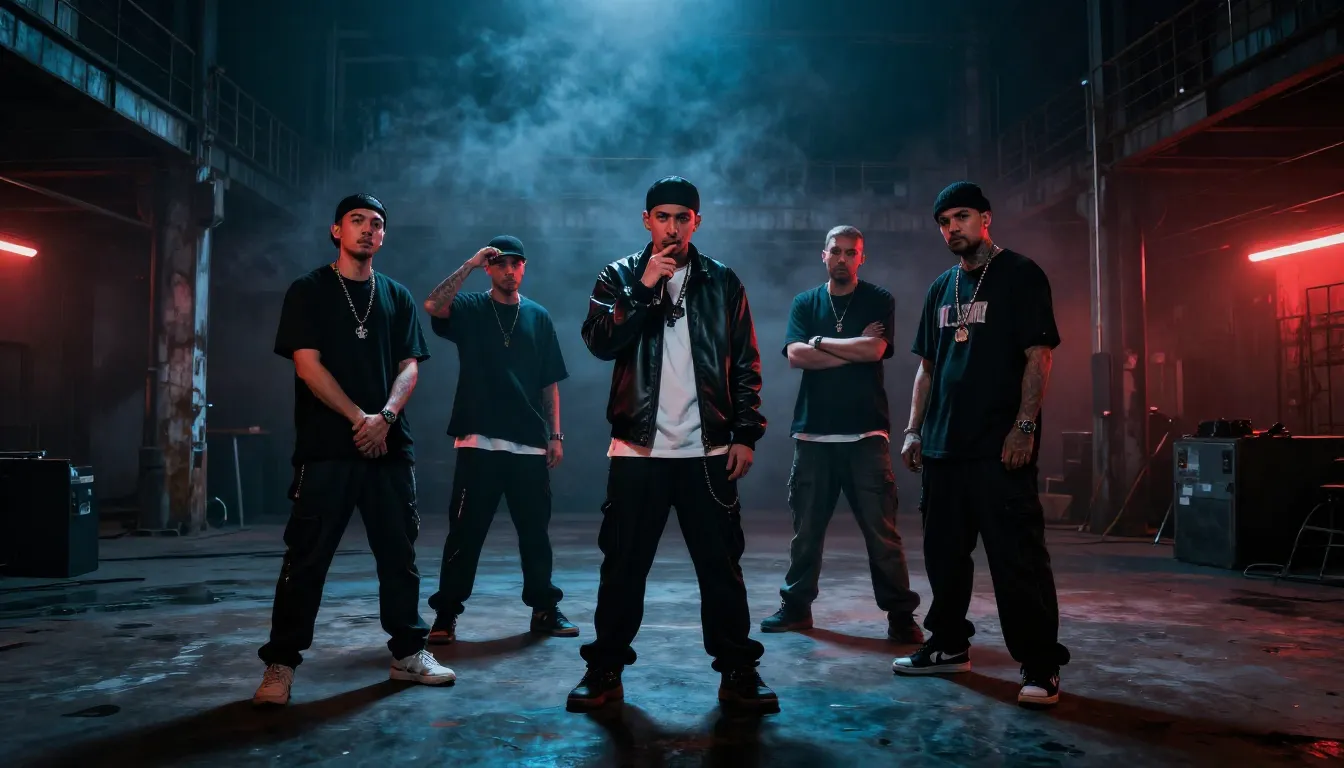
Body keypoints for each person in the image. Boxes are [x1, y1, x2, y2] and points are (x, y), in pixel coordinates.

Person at [568, 176, 777, 714]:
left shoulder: (723, 282)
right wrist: (642, 289)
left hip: (708, 451)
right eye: (662, 217)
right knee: (622, 568)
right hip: (637, 452)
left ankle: (737, 670)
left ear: (697, 222)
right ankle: (605, 668)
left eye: (683, 218)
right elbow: (599, 342)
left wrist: (745, 434)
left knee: (721, 568)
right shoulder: (618, 275)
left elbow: (746, 363)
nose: (673, 227)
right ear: (647, 221)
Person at [251, 194, 456, 707]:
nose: (367, 229)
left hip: (389, 449)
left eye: (376, 223)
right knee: (307, 559)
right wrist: (358, 419)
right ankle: (281, 664)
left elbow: (410, 367)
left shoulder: (397, 296)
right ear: (336, 231)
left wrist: (385, 417)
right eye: (357, 220)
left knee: (399, 557)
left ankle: (408, 653)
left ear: (383, 236)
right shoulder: (309, 290)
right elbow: (307, 365)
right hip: (326, 449)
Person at [891, 181, 1069, 708]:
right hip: (943, 449)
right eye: (944, 222)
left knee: (1018, 561)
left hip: (999, 449)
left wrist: (1024, 427)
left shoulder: (1020, 275)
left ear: (985, 219)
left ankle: (1039, 664)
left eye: (962, 217)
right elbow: (927, 369)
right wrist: (914, 429)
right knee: (945, 559)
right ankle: (948, 645)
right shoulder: (940, 288)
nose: (953, 229)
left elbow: (1039, 356)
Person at [761, 225, 923, 643]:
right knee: (806, 535)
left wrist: (821, 344)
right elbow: (797, 356)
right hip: (813, 436)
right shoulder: (805, 302)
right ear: (824, 255)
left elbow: (875, 350)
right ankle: (796, 609)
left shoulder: (878, 299)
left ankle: (900, 617)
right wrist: (847, 349)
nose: (843, 259)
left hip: (866, 435)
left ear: (861, 258)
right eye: (836, 251)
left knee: (882, 536)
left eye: (851, 252)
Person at [420, 235, 577, 643]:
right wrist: (470, 263)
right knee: (465, 533)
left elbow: (549, 382)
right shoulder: (472, 308)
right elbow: (433, 306)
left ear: (524, 268)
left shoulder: (538, 317)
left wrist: (556, 435)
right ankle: (446, 614)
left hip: (529, 443)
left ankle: (544, 608)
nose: (509, 270)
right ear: (490, 268)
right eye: (500, 263)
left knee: (535, 534)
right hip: (479, 441)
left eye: (516, 264)